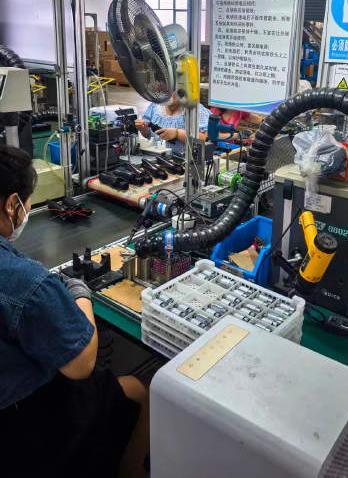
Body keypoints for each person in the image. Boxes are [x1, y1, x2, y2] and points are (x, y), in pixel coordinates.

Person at [0, 145, 149, 478]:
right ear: (12, 204)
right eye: (27, 202)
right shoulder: (25, 282)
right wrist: (80, 294)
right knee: (144, 389)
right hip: (27, 425)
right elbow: (82, 364)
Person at [135, 92, 211, 153]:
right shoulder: (155, 106)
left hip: (183, 163)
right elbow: (148, 135)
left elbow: (205, 140)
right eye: (162, 91)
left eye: (170, 91)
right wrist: (144, 129)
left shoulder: (194, 110)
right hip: (156, 159)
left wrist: (178, 133)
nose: (165, 95)